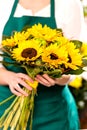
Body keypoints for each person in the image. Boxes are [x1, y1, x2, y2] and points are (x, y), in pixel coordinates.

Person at [0, 0, 85, 129]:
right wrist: (8, 77)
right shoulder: (3, 3)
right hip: (6, 109)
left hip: (53, 113)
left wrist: (58, 76)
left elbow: (73, 64)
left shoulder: (69, 4)